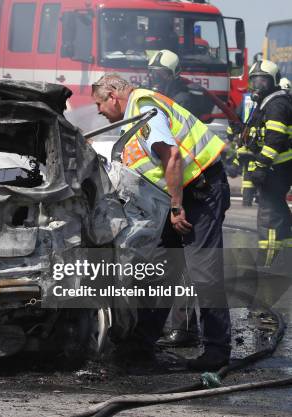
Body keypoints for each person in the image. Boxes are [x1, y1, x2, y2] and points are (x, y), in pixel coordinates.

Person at [91, 74, 231, 371]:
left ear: (113, 96)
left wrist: (178, 207)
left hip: (198, 193)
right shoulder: (134, 119)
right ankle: (139, 345)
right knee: (159, 270)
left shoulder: (144, 108)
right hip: (179, 197)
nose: (99, 112)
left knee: (203, 272)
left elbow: (172, 157)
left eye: (99, 104)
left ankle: (217, 351)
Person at [147, 49, 201, 347]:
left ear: (173, 75)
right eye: (152, 73)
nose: (155, 78)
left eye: (161, 74)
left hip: (188, 191)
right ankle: (163, 328)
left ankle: (185, 330)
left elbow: (175, 154)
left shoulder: (183, 101)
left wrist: (177, 204)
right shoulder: (159, 100)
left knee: (183, 263)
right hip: (169, 193)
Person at [245, 60, 292, 267]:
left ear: (273, 81)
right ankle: (286, 255)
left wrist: (262, 166)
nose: (258, 86)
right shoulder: (267, 102)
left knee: (269, 214)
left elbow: (274, 139)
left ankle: (267, 259)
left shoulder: (276, 104)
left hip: (276, 169)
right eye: (254, 80)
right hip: (278, 168)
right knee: (279, 209)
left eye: (263, 81)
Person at [147, 49, 202, 117]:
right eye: (154, 73)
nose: (156, 78)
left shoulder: (182, 100)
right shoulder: (145, 92)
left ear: (174, 74)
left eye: (162, 73)